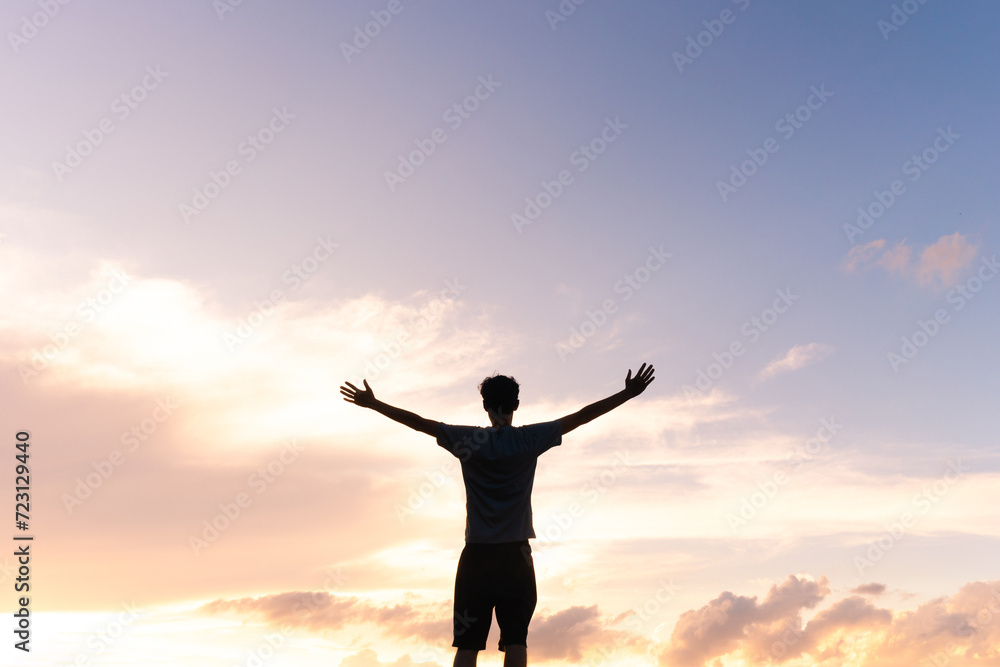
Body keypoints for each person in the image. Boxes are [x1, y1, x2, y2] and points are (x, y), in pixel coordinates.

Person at [339, 363, 655, 667]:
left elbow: (419, 422)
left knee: (467, 644)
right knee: (516, 640)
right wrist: (626, 394)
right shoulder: (530, 439)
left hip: (477, 556)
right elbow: (582, 417)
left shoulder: (467, 441)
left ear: (484, 405)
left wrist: (375, 404)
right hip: (516, 555)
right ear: (516, 403)